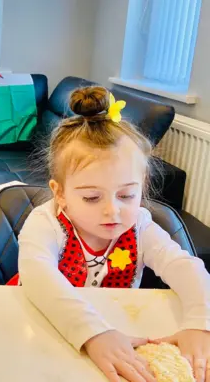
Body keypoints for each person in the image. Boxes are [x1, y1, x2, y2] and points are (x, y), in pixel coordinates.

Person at [16, 86, 210, 382]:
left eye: (127, 195)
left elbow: (187, 268)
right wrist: (94, 334)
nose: (113, 211)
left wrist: (200, 323)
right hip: (44, 324)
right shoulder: (45, 223)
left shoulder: (141, 227)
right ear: (61, 193)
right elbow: (39, 277)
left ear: (142, 186)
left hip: (118, 331)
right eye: (92, 198)